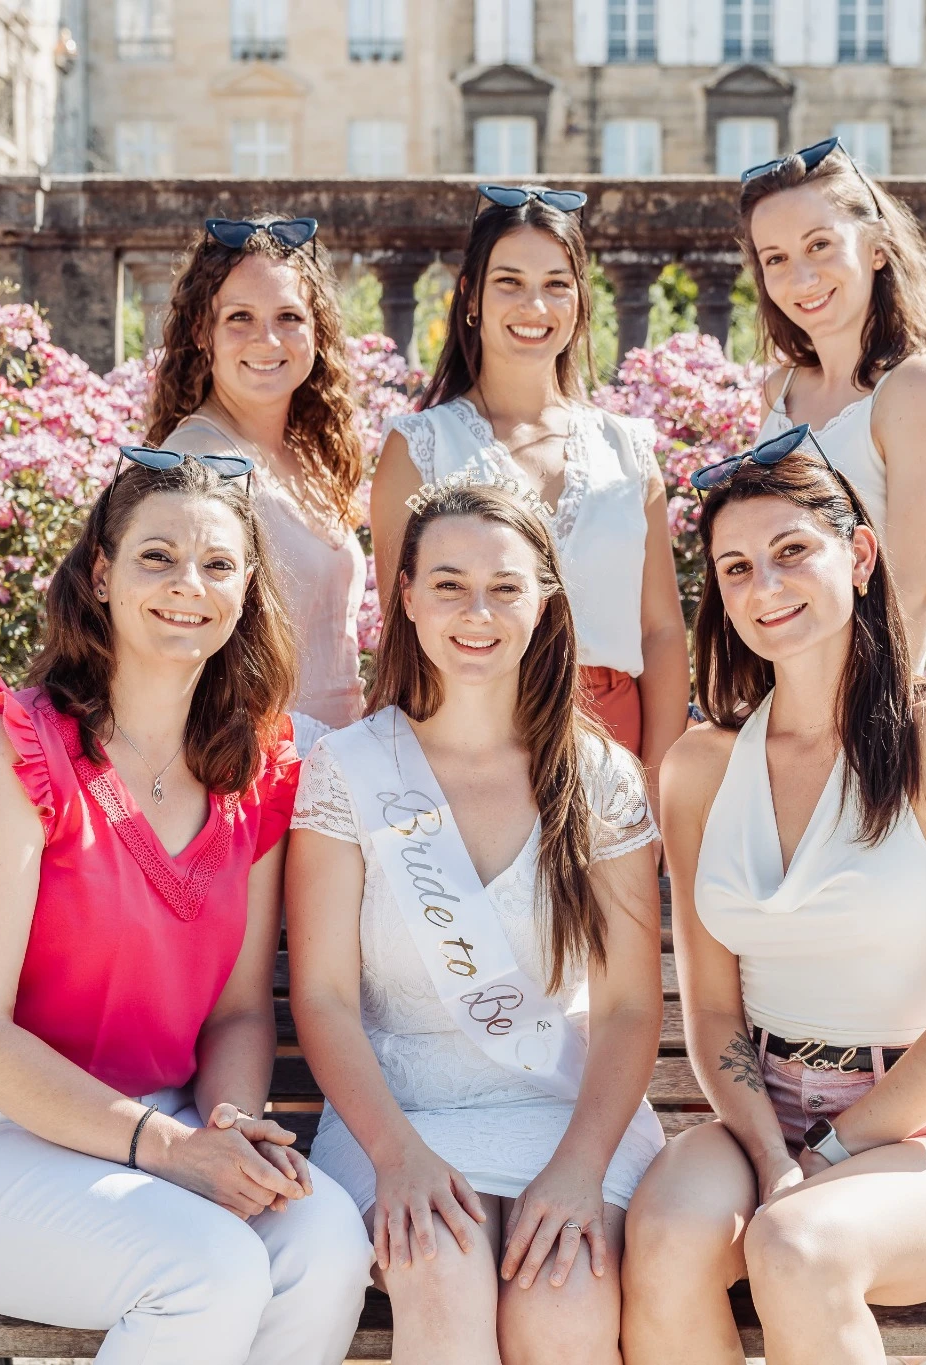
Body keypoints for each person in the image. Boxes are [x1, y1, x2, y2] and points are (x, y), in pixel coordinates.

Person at [0, 450, 372, 1365]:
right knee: (207, 1269)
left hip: (170, 1124)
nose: (189, 585)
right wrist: (172, 1151)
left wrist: (227, 1132)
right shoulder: (10, 754)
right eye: (156, 558)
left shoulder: (253, 774)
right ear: (100, 574)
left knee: (325, 1240)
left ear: (247, 588)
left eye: (218, 565)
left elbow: (235, 1009)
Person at [620, 445, 926, 1365]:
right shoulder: (698, 768)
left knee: (795, 1244)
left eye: (790, 552)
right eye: (735, 568)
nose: (763, 584)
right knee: (658, 1240)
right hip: (760, 1108)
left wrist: (831, 1159)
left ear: (856, 557)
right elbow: (715, 1010)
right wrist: (775, 1155)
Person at [287, 478, 666, 1365]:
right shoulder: (347, 769)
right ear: (407, 598)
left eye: (504, 585)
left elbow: (624, 1010)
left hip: (567, 1112)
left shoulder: (598, 776)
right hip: (398, 1112)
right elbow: (325, 996)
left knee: (563, 1304)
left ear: (543, 600)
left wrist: (578, 1166)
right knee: (441, 1277)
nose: (477, 610)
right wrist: (397, 1156)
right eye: (449, 583)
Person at [369, 186, 686, 775]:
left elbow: (662, 630)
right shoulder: (420, 448)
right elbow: (406, 633)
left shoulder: (628, 450)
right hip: (466, 741)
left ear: (580, 300)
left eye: (556, 284)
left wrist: (658, 783)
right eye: (509, 282)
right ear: (471, 296)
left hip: (614, 741)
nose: (534, 306)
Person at [741, 136, 926, 664]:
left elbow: (917, 594)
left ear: (876, 248)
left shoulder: (916, 389)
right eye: (775, 258)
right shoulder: (779, 391)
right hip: (776, 696)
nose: (800, 276)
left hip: (867, 707)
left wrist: (862, 735)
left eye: (819, 245)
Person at [151, 214, 368, 743]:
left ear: (317, 329)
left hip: (338, 763)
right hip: (254, 767)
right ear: (203, 331)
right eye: (240, 317)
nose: (267, 339)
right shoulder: (197, 465)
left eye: (289, 316)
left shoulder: (310, 454)